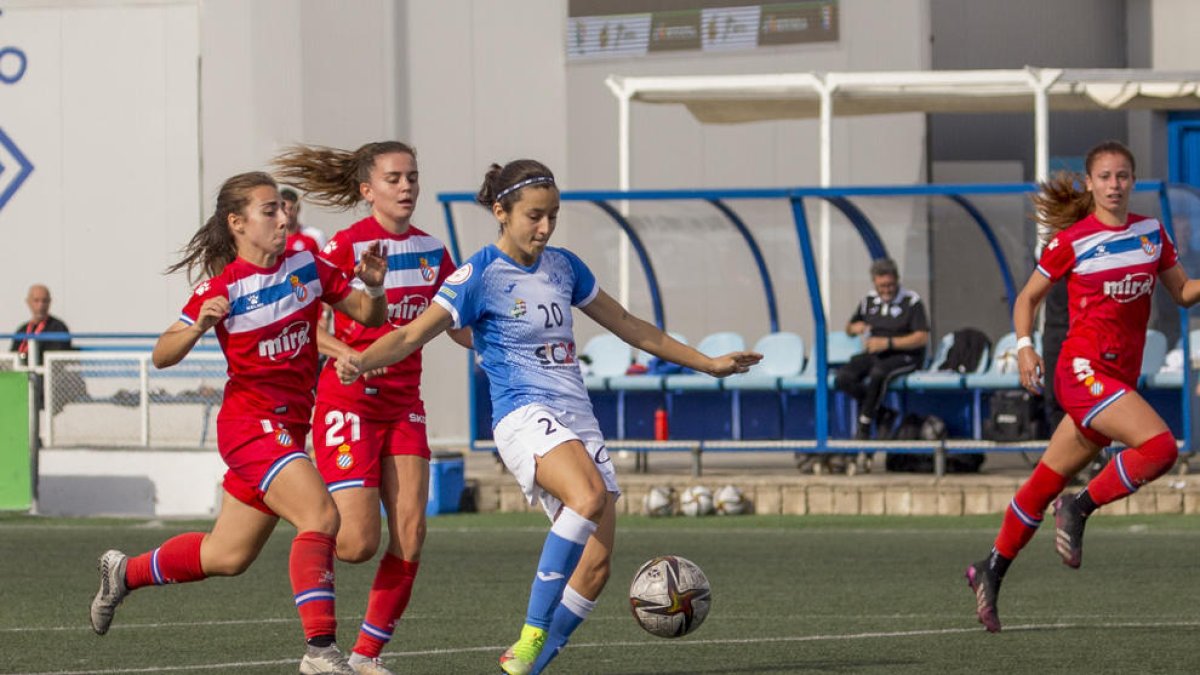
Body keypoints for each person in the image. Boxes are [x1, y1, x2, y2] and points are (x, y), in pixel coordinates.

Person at [335, 159, 762, 674]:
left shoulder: (564, 267)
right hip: (522, 414)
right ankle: (532, 633)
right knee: (588, 495)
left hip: (576, 417)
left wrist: (708, 363)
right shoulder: (479, 274)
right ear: (501, 212)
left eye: (553, 216)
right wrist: (360, 360)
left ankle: (526, 667)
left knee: (596, 566)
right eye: (534, 216)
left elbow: (629, 325)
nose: (545, 227)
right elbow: (410, 334)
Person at [88, 171, 389, 675]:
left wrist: (374, 287)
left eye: (283, 209)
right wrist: (198, 327)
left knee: (226, 555)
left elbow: (369, 315)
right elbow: (162, 354)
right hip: (250, 426)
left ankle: (125, 572)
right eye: (269, 211)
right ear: (237, 223)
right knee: (321, 516)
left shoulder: (306, 266)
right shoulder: (222, 287)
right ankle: (319, 651)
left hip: (290, 428)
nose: (283, 218)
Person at [965, 140, 1200, 633]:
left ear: (1133, 181)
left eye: (1123, 176)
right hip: (1081, 372)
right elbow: (1027, 298)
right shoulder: (1073, 241)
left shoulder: (1150, 233)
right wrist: (1025, 347)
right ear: (1090, 184)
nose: (1115, 185)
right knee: (1160, 448)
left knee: (1043, 482)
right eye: (1105, 177)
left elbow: (1183, 292)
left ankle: (991, 567)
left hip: (1116, 379)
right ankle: (1078, 506)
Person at [273, 141, 471, 675]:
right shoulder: (346, 246)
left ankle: (365, 656)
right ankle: (305, 520)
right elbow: (301, 322)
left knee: (412, 532)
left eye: (413, 177)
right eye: (393, 178)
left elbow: (457, 325)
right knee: (357, 543)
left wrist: (513, 338)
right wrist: (347, 353)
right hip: (349, 405)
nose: (406, 187)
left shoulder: (433, 252)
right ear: (367, 190)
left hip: (405, 406)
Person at [835, 258, 930, 440]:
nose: (886, 290)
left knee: (878, 373)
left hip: (905, 355)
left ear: (897, 280)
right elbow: (849, 327)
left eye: (890, 285)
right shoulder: (869, 301)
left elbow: (921, 337)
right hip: (875, 352)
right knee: (843, 377)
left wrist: (888, 343)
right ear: (874, 283)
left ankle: (864, 424)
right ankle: (883, 413)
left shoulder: (911, 301)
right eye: (882, 286)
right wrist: (854, 328)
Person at [11, 284, 72, 366]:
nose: (41, 305)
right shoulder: (22, 330)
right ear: (28, 302)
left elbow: (57, 359)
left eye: (44, 301)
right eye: (36, 301)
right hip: (22, 372)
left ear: (49, 302)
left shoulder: (58, 328)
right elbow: (14, 354)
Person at [282, 187, 327, 254]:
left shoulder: (316, 236)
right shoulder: (270, 239)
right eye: (283, 209)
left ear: (298, 209)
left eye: (291, 208)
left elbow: (325, 259)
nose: (288, 213)